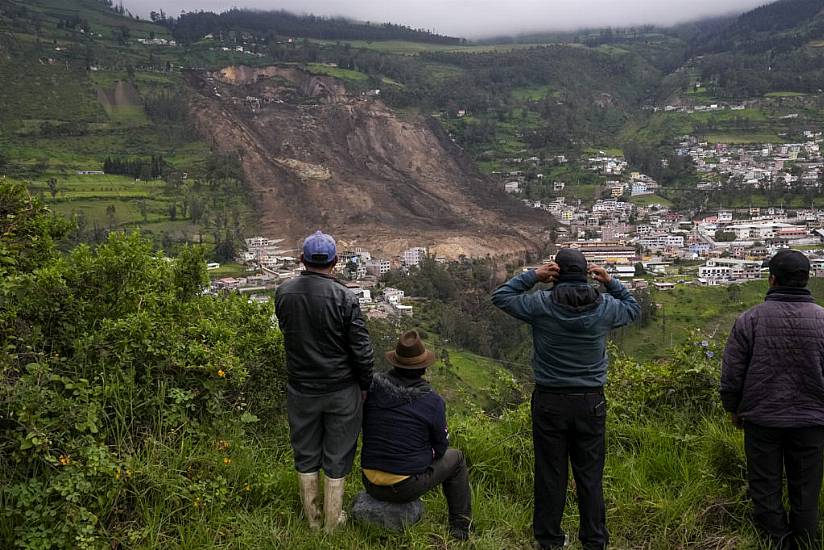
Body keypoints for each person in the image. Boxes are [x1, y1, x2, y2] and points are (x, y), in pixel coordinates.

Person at [491, 249, 640, 550]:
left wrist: (533, 276)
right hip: (590, 401)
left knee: (550, 475)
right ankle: (594, 541)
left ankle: (549, 541)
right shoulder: (605, 307)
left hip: (549, 401)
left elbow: (501, 296)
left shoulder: (540, 305)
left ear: (556, 272)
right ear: (586, 273)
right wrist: (611, 282)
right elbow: (633, 308)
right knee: (589, 475)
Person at [721, 249, 824, 549]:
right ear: (807, 279)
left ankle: (776, 541)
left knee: (764, 486)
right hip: (812, 420)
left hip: (761, 419)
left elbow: (732, 373)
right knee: (805, 488)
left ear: (772, 280)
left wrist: (733, 408)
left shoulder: (750, 319)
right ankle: (805, 543)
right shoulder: (822, 321)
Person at [274, 230, 374, 533]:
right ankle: (333, 523)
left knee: (305, 451)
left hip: (301, 388)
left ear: (302, 260)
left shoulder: (284, 292)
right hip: (341, 389)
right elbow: (361, 349)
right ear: (336, 262)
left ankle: (313, 521)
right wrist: (365, 384)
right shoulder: (344, 297)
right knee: (338, 452)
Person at [360, 330, 472, 540]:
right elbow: (440, 448)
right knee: (456, 458)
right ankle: (460, 528)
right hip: (403, 488)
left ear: (395, 362)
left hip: (369, 481)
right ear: (423, 367)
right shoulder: (432, 401)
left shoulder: (373, 388)